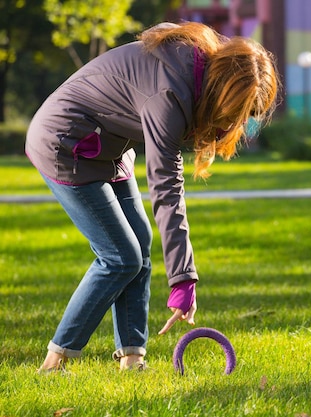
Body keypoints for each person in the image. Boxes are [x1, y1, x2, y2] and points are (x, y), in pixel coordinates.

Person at [25, 21, 279, 371]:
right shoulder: (170, 95)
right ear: (224, 90)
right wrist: (183, 277)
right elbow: (166, 188)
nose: (235, 123)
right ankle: (56, 359)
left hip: (109, 145)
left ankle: (132, 356)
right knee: (119, 257)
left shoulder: (199, 67)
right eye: (237, 112)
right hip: (65, 144)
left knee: (138, 244)